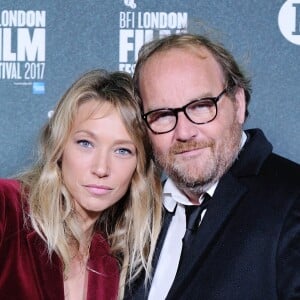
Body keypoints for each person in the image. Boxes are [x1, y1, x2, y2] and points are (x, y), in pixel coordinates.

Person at [125, 33, 300, 299]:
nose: (184, 132)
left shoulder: (291, 198)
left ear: (238, 104)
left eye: (201, 106)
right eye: (162, 115)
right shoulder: (137, 216)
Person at [0, 69, 162, 300]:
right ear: (60, 146)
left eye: (122, 150)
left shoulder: (115, 259)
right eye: (85, 143)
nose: (101, 168)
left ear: (140, 165)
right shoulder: (7, 208)